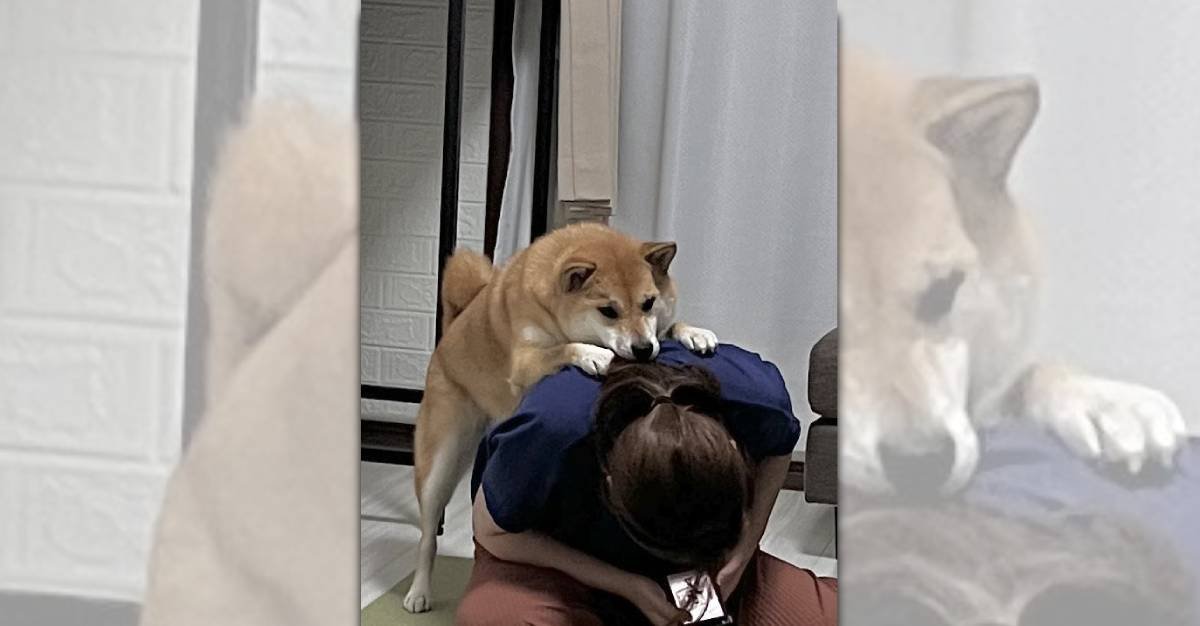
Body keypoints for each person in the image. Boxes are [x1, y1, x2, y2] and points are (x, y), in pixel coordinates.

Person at [456, 340, 838, 625]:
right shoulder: (549, 430)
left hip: (702, 561)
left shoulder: (757, 397)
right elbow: (494, 532)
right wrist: (627, 584)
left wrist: (738, 556)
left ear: (735, 448)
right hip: (554, 552)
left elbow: (779, 450)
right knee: (499, 618)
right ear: (607, 482)